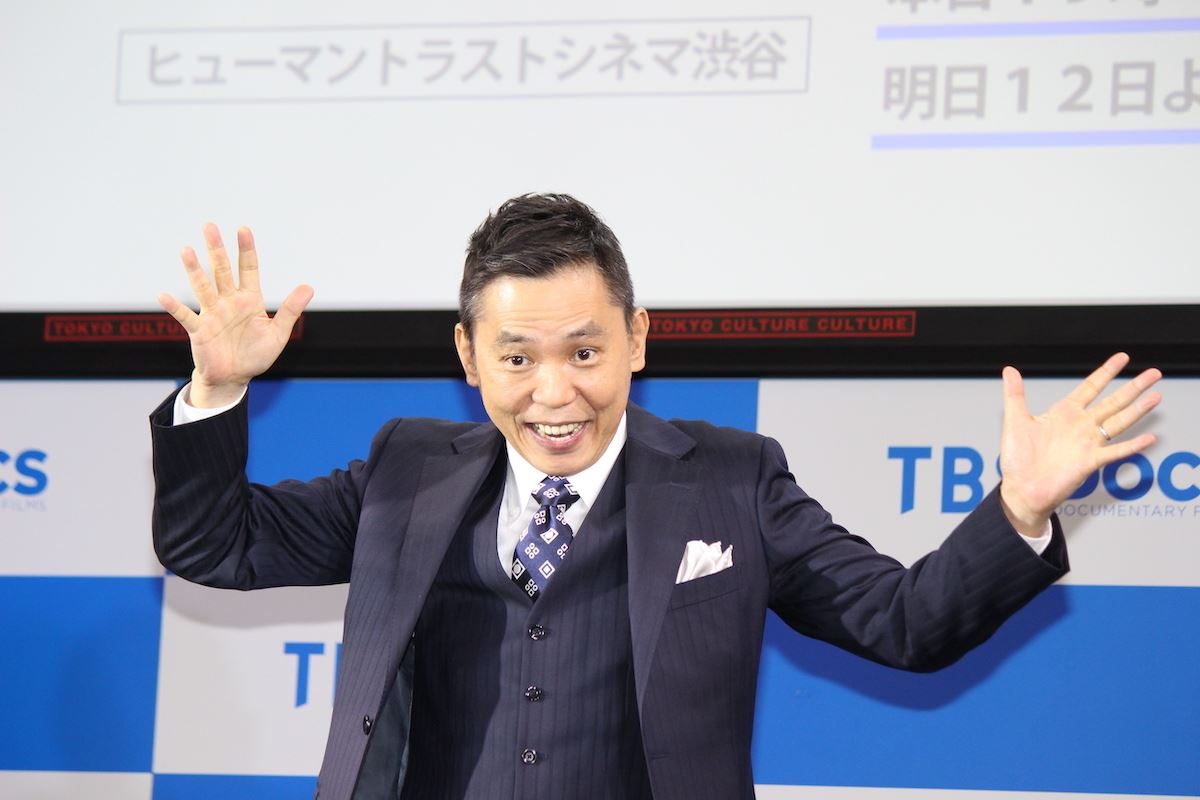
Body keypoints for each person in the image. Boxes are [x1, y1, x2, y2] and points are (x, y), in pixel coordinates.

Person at [151, 193, 1162, 800]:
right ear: (468, 356)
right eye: (518, 357)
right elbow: (214, 545)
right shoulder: (407, 471)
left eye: (585, 352)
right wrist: (217, 387)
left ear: (638, 338)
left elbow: (904, 623)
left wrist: (1020, 508)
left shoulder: (731, 479)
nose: (555, 392)